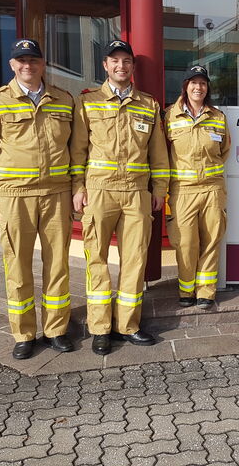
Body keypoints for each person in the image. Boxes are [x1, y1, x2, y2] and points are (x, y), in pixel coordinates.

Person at [0, 38, 74, 360]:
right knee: (17, 267)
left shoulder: (64, 100)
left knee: (58, 265)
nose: (28, 66)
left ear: (43, 64)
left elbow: (76, 150)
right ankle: (24, 333)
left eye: (33, 60)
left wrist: (77, 189)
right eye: (22, 61)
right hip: (15, 196)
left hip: (57, 194)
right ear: (12, 65)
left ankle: (56, 330)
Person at [70, 40, 169, 356]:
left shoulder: (149, 105)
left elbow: (158, 153)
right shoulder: (88, 102)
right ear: (105, 65)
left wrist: (160, 190)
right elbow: (78, 150)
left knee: (135, 260)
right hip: (99, 191)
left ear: (133, 67)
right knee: (96, 259)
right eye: (115, 61)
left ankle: (128, 325)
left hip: (137, 193)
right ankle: (100, 328)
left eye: (126, 61)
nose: (121, 66)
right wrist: (78, 188)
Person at [164, 65, 230, 310]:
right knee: (186, 243)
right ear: (186, 86)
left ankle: (206, 292)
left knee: (211, 240)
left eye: (202, 83)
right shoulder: (169, 116)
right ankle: (186, 290)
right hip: (183, 190)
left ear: (207, 88)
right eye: (193, 82)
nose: (198, 87)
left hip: (213, 189)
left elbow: (224, 151)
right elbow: (161, 153)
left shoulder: (218, 117)